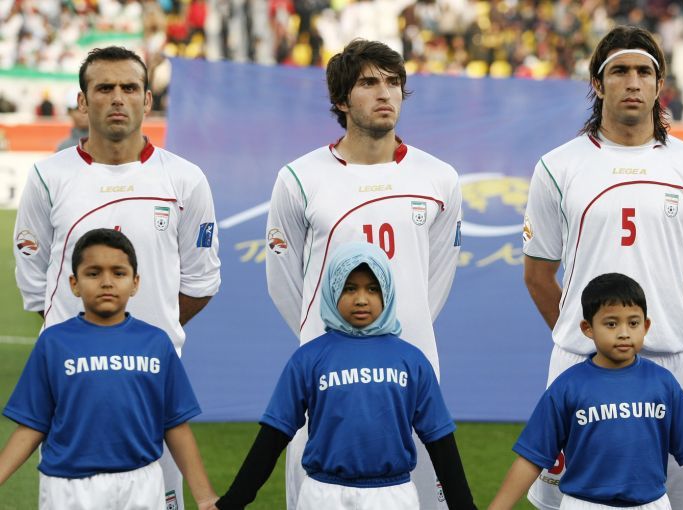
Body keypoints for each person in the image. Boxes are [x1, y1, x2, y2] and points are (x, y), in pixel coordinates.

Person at [521, 25, 683, 510]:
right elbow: (537, 274)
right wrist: (589, 339)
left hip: (670, 362)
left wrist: (666, 326)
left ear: (659, 84)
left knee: (678, 501)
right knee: (571, 500)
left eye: (643, 72)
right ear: (598, 83)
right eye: (619, 71)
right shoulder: (557, 166)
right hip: (580, 362)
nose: (632, 82)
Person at [12, 46, 221, 510]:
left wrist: (145, 338)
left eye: (129, 88)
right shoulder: (47, 178)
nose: (117, 98)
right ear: (82, 101)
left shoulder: (185, 179)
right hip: (71, 388)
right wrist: (88, 342)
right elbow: (36, 285)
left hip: (153, 386)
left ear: (147, 100)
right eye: (104, 88)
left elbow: (200, 282)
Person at [265, 38, 462, 510]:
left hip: (412, 367)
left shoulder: (439, 178)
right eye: (369, 83)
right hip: (325, 375)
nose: (385, 93)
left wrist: (400, 335)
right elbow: (285, 283)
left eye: (393, 83)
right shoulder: (299, 179)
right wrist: (328, 344)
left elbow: (434, 280)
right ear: (340, 99)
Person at [217, 242, 475, 510]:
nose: (361, 299)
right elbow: (274, 435)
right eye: (350, 288)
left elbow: (440, 441)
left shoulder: (412, 361)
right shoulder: (308, 359)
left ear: (386, 292)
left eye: (372, 289)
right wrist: (233, 501)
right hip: (323, 495)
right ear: (332, 290)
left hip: (392, 496)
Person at [0, 229, 218, 510]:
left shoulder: (155, 343)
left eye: (118, 273)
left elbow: (175, 424)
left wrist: (205, 496)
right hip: (69, 487)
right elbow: (32, 425)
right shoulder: (53, 343)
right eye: (93, 273)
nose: (106, 282)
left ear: (135, 283)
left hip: (142, 483)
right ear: (74, 284)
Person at [488, 273, 683, 510]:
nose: (624, 333)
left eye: (633, 323)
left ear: (646, 326)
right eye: (611, 324)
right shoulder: (568, 386)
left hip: (651, 504)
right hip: (585, 504)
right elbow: (532, 457)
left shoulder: (663, 383)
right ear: (588, 328)